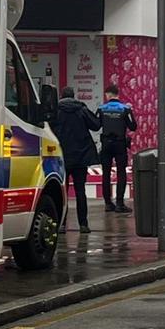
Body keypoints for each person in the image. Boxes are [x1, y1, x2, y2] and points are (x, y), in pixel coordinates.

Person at [51, 87, 100, 232]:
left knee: (62, 192)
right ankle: (83, 224)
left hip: (62, 157)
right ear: (74, 96)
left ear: (61, 96)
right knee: (80, 191)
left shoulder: (56, 111)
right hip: (80, 157)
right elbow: (96, 126)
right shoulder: (81, 109)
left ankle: (62, 224)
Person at [97, 84, 136, 213]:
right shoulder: (125, 108)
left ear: (108, 94)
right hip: (120, 144)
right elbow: (133, 127)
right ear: (117, 94)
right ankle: (120, 203)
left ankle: (108, 203)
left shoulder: (102, 108)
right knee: (121, 173)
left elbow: (96, 125)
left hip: (106, 144)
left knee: (106, 174)